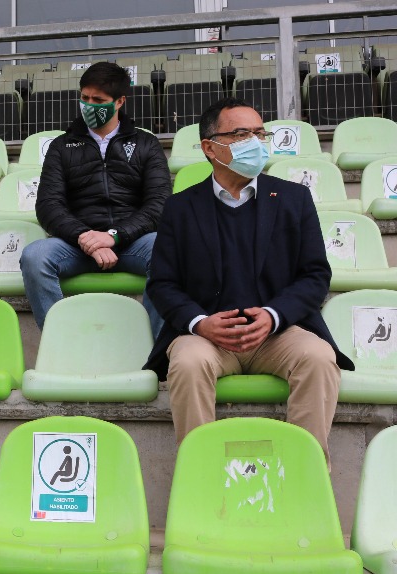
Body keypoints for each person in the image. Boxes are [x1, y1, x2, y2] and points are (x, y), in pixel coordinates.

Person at [145, 97, 354, 460]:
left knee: (319, 358)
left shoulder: (293, 199)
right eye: (242, 133)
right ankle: (200, 474)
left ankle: (305, 475)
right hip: (209, 338)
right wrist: (200, 323)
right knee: (188, 363)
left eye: (260, 133)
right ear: (211, 148)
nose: (256, 142)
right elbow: (162, 283)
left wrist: (273, 316)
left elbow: (315, 274)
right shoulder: (180, 207)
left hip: (277, 334)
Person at [21, 62, 170, 335]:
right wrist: (87, 238)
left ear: (120, 102)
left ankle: (154, 350)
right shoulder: (62, 146)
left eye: (98, 100)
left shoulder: (146, 144)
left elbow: (159, 204)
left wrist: (114, 236)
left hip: (133, 241)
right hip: (77, 244)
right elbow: (48, 205)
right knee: (35, 256)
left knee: (167, 248)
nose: (89, 105)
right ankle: (61, 343)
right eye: (85, 98)